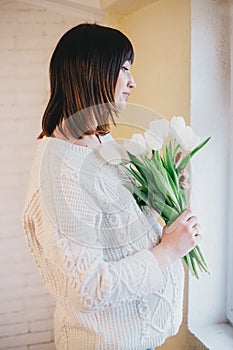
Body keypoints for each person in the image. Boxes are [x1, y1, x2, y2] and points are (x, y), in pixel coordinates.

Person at [22, 23, 202, 350]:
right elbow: (88, 288)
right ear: (92, 71)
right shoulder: (61, 176)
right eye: (124, 69)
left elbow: (123, 220)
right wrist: (169, 250)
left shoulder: (97, 141)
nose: (133, 82)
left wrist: (171, 184)